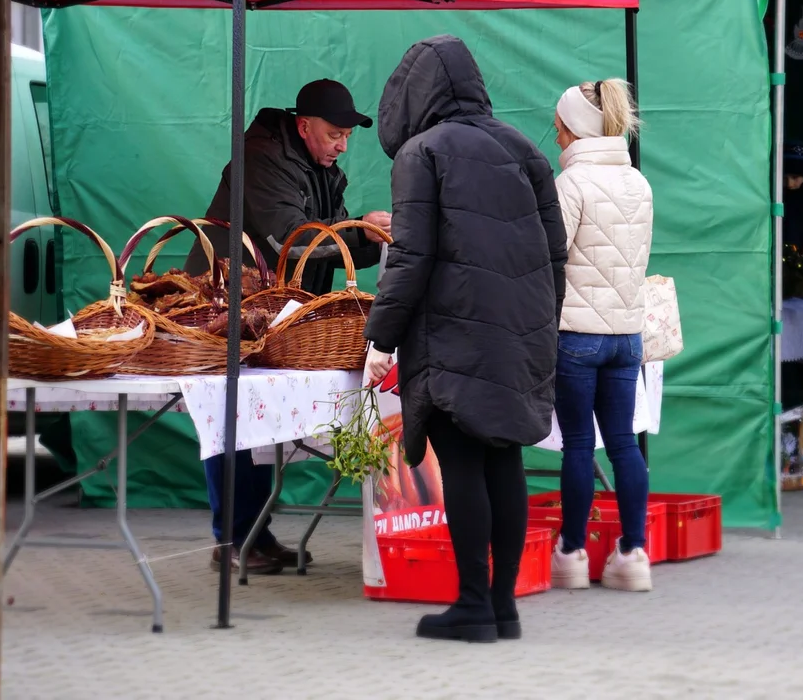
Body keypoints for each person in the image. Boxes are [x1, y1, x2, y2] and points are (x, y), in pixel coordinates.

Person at [363, 35, 567, 643]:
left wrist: (381, 337)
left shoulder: (422, 153)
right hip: (520, 334)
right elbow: (556, 254)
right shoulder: (523, 149)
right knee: (504, 461)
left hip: (452, 335)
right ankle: (501, 608)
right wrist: (536, 323)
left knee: (462, 466)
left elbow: (411, 255)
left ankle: (475, 605)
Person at [185, 79, 392, 575]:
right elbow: (291, 244)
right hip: (227, 304)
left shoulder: (320, 167)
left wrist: (375, 237)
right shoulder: (261, 158)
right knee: (234, 417)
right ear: (303, 127)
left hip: (274, 310)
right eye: (334, 134)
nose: (342, 145)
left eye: (347, 137)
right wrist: (358, 227)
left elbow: (330, 243)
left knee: (257, 421)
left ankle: (253, 533)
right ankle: (233, 539)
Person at [547, 79, 654, 592]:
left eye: (558, 126)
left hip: (576, 335)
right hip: (626, 335)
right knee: (624, 446)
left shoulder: (570, 185)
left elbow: (552, 256)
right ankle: (634, 553)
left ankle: (570, 553)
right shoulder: (639, 182)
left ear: (572, 129)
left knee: (578, 447)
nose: (555, 134)